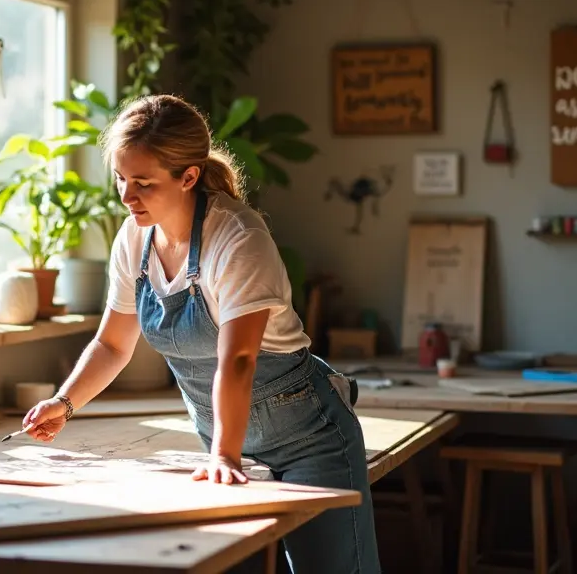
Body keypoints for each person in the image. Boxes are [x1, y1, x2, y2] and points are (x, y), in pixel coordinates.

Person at [22, 94, 381, 573]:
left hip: (309, 440)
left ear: (188, 177)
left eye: (143, 184)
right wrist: (64, 404)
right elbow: (112, 344)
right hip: (221, 442)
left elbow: (237, 361)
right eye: (121, 180)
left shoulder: (238, 239)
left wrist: (225, 457)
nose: (127, 197)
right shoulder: (135, 238)